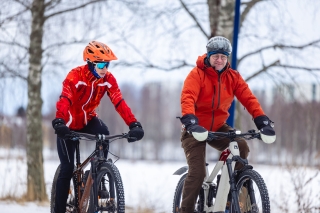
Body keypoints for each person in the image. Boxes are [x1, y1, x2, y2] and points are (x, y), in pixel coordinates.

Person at [179, 36, 276, 213]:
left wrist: (262, 121)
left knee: (241, 146)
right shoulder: (197, 74)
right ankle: (185, 210)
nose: (220, 60)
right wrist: (191, 121)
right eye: (216, 56)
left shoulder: (233, 77)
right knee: (198, 173)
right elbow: (188, 97)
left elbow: (249, 99)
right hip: (194, 129)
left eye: (224, 57)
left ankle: (230, 194)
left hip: (218, 128)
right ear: (208, 56)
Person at [51, 41, 144, 213]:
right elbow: (65, 99)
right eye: (101, 64)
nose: (104, 69)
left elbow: (119, 102)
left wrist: (133, 123)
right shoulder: (75, 76)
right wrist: (59, 121)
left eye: (107, 64)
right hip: (69, 124)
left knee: (104, 132)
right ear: (90, 63)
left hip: (88, 120)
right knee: (67, 168)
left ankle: (99, 172)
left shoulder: (108, 79)